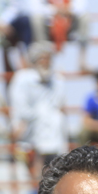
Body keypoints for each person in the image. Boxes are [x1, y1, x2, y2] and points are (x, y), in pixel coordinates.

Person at [10, 42, 68, 181]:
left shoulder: (58, 80)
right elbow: (21, 108)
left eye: (48, 58)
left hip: (53, 128)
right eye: (43, 58)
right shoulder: (22, 79)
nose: (46, 62)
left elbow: (60, 105)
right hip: (29, 126)